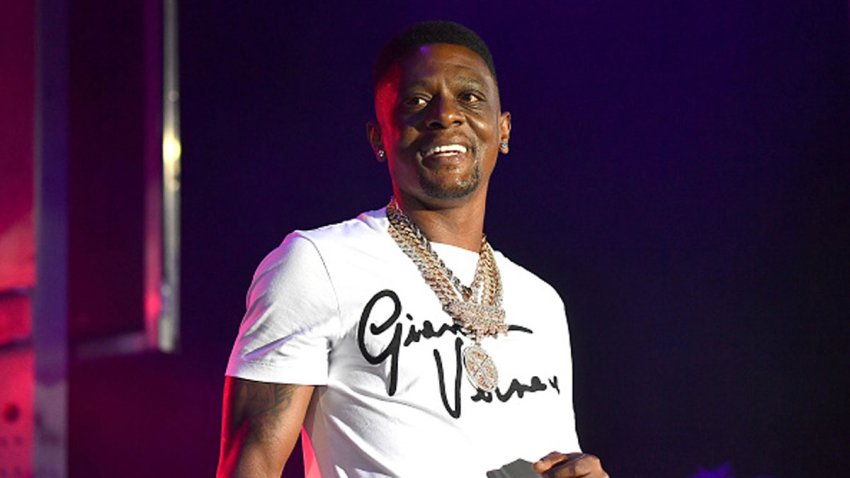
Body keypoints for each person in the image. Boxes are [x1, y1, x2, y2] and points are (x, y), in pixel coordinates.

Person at [217, 21, 609, 478]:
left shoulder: (541, 303)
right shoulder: (318, 264)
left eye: (470, 97)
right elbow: (252, 462)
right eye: (417, 101)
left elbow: (557, 459)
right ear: (378, 138)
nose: (445, 115)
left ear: (503, 130)